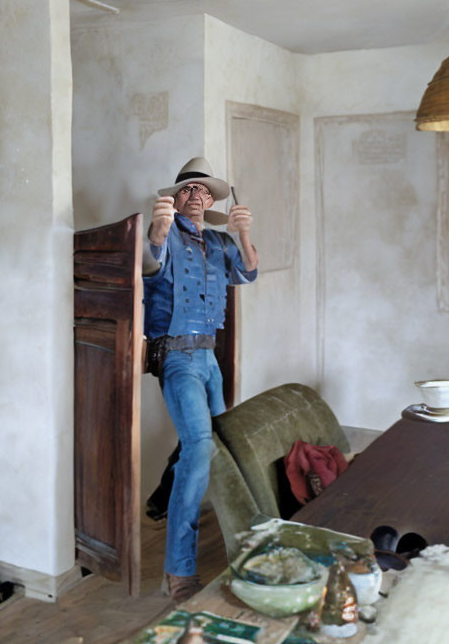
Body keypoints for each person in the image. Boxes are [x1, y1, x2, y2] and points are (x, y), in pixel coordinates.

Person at [143, 156, 258, 602]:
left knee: (215, 442)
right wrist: (157, 226)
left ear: (212, 201)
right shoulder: (164, 231)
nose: (197, 196)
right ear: (175, 198)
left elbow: (247, 272)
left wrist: (245, 233)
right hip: (175, 357)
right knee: (199, 445)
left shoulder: (218, 240)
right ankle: (179, 571)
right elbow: (150, 261)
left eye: (204, 191)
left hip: (209, 357)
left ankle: (163, 496)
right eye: (188, 189)